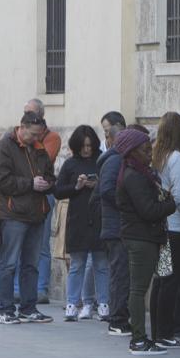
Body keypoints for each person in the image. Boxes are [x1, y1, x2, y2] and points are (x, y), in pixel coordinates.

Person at [114, 127, 177, 355]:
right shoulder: (134, 177)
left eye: (150, 148)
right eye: (145, 149)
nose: (150, 153)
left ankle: (141, 337)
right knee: (138, 289)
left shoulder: (140, 173)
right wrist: (170, 204)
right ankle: (139, 339)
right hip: (140, 237)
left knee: (140, 288)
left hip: (144, 236)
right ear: (132, 151)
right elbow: (148, 210)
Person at [0, 111, 56, 324]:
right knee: (9, 263)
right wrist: (30, 184)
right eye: (33, 134)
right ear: (22, 127)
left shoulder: (38, 148)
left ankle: (28, 307)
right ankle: (6, 309)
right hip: (13, 213)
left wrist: (47, 182)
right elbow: (0, 180)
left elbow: (49, 173)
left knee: (31, 263)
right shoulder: (5, 147)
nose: (36, 139)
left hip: (36, 212)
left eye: (39, 135)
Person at [54, 126, 109, 322]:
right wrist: (76, 186)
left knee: (101, 264)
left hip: (98, 217)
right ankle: (72, 304)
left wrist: (97, 185)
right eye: (83, 146)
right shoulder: (70, 164)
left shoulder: (102, 160)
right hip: (78, 218)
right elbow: (58, 191)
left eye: (90, 146)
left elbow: (110, 184)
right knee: (78, 263)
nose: (87, 150)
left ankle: (103, 303)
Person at [148, 112, 180, 348]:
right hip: (176, 227)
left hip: (161, 226)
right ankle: (165, 332)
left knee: (161, 279)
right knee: (171, 281)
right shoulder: (177, 158)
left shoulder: (157, 155)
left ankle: (157, 330)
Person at [95, 112, 131, 334]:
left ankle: (120, 315)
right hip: (116, 227)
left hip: (118, 226)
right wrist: (128, 203)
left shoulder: (118, 159)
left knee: (121, 272)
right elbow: (106, 190)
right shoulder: (115, 160)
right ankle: (117, 319)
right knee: (120, 273)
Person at [24, 99, 60, 304]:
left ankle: (41, 288)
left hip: (43, 191)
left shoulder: (51, 137)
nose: (27, 116)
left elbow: (43, 160)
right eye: (25, 112)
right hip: (25, 191)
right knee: (22, 243)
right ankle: (19, 289)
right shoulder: (17, 136)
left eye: (31, 113)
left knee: (42, 244)